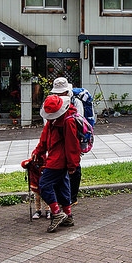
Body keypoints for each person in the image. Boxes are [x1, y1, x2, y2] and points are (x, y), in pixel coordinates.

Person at [32, 94, 82, 232]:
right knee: (62, 185)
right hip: (57, 159)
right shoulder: (54, 120)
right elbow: (45, 136)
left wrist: (73, 165)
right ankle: (68, 215)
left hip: (58, 161)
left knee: (44, 184)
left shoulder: (67, 121)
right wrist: (38, 151)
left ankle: (57, 213)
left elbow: (72, 145)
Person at [51, 77, 83, 206]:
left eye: (61, 93)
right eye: (56, 93)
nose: (58, 95)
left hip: (72, 137)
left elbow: (79, 120)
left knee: (74, 168)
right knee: (61, 170)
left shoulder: (76, 103)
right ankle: (64, 198)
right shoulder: (51, 102)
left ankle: (72, 197)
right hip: (58, 141)